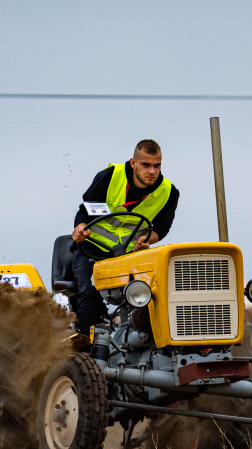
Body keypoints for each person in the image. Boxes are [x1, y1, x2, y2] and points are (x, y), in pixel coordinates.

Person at [70, 139, 180, 335]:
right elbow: (85, 211)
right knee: (88, 292)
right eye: (146, 165)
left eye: (157, 166)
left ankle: (148, 338)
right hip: (94, 251)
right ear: (133, 163)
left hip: (131, 256)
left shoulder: (169, 192)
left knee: (153, 294)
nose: (152, 171)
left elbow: (161, 229)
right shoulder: (110, 177)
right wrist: (80, 229)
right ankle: (86, 345)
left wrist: (146, 240)